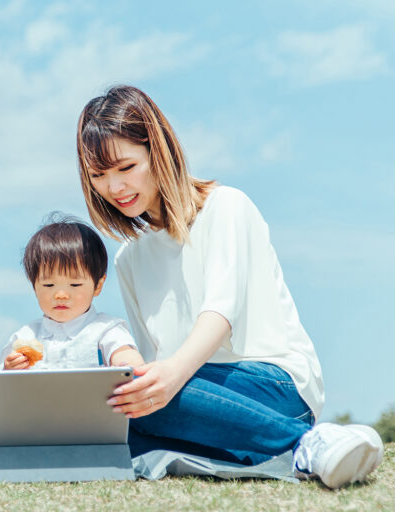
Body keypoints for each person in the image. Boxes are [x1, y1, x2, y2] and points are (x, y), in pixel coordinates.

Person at [75, 84, 383, 488]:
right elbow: (156, 364)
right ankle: (261, 454)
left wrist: (161, 383)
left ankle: (304, 442)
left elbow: (220, 314)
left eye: (126, 168)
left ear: (158, 151)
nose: (114, 188)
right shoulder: (129, 258)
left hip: (275, 385)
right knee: (120, 404)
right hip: (196, 398)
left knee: (146, 398)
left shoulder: (226, 206)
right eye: (99, 175)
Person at [0, 214, 144, 371]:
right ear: (34, 286)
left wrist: (126, 362)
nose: (61, 294)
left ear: (98, 286)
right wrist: (9, 368)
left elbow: (127, 358)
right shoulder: (25, 336)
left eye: (75, 284)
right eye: (49, 285)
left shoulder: (105, 329)